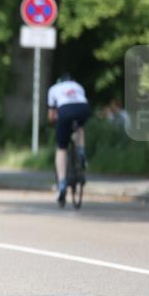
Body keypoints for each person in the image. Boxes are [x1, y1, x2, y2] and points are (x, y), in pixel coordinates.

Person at [47, 72, 90, 205]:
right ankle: (81, 153)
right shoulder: (78, 86)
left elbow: (51, 115)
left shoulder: (54, 88)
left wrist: (57, 123)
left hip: (65, 110)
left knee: (61, 148)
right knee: (80, 127)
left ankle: (62, 185)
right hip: (83, 109)